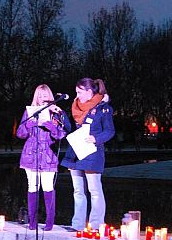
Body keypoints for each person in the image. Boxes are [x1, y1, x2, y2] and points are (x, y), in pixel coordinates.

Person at [61, 78, 115, 231]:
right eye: (76, 92)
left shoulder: (103, 108)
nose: (76, 95)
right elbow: (72, 127)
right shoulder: (76, 107)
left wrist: (96, 139)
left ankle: (96, 224)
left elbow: (110, 131)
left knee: (94, 190)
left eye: (79, 92)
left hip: (92, 152)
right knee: (78, 190)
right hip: (76, 152)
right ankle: (77, 225)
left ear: (89, 91)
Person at [16, 84, 70, 231]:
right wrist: (28, 125)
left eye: (45, 96)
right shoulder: (30, 112)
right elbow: (20, 134)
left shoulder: (56, 113)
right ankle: (32, 222)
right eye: (39, 96)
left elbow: (61, 135)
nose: (42, 99)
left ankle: (49, 222)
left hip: (47, 154)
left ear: (50, 97)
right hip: (30, 154)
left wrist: (52, 127)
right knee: (32, 187)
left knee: (48, 187)